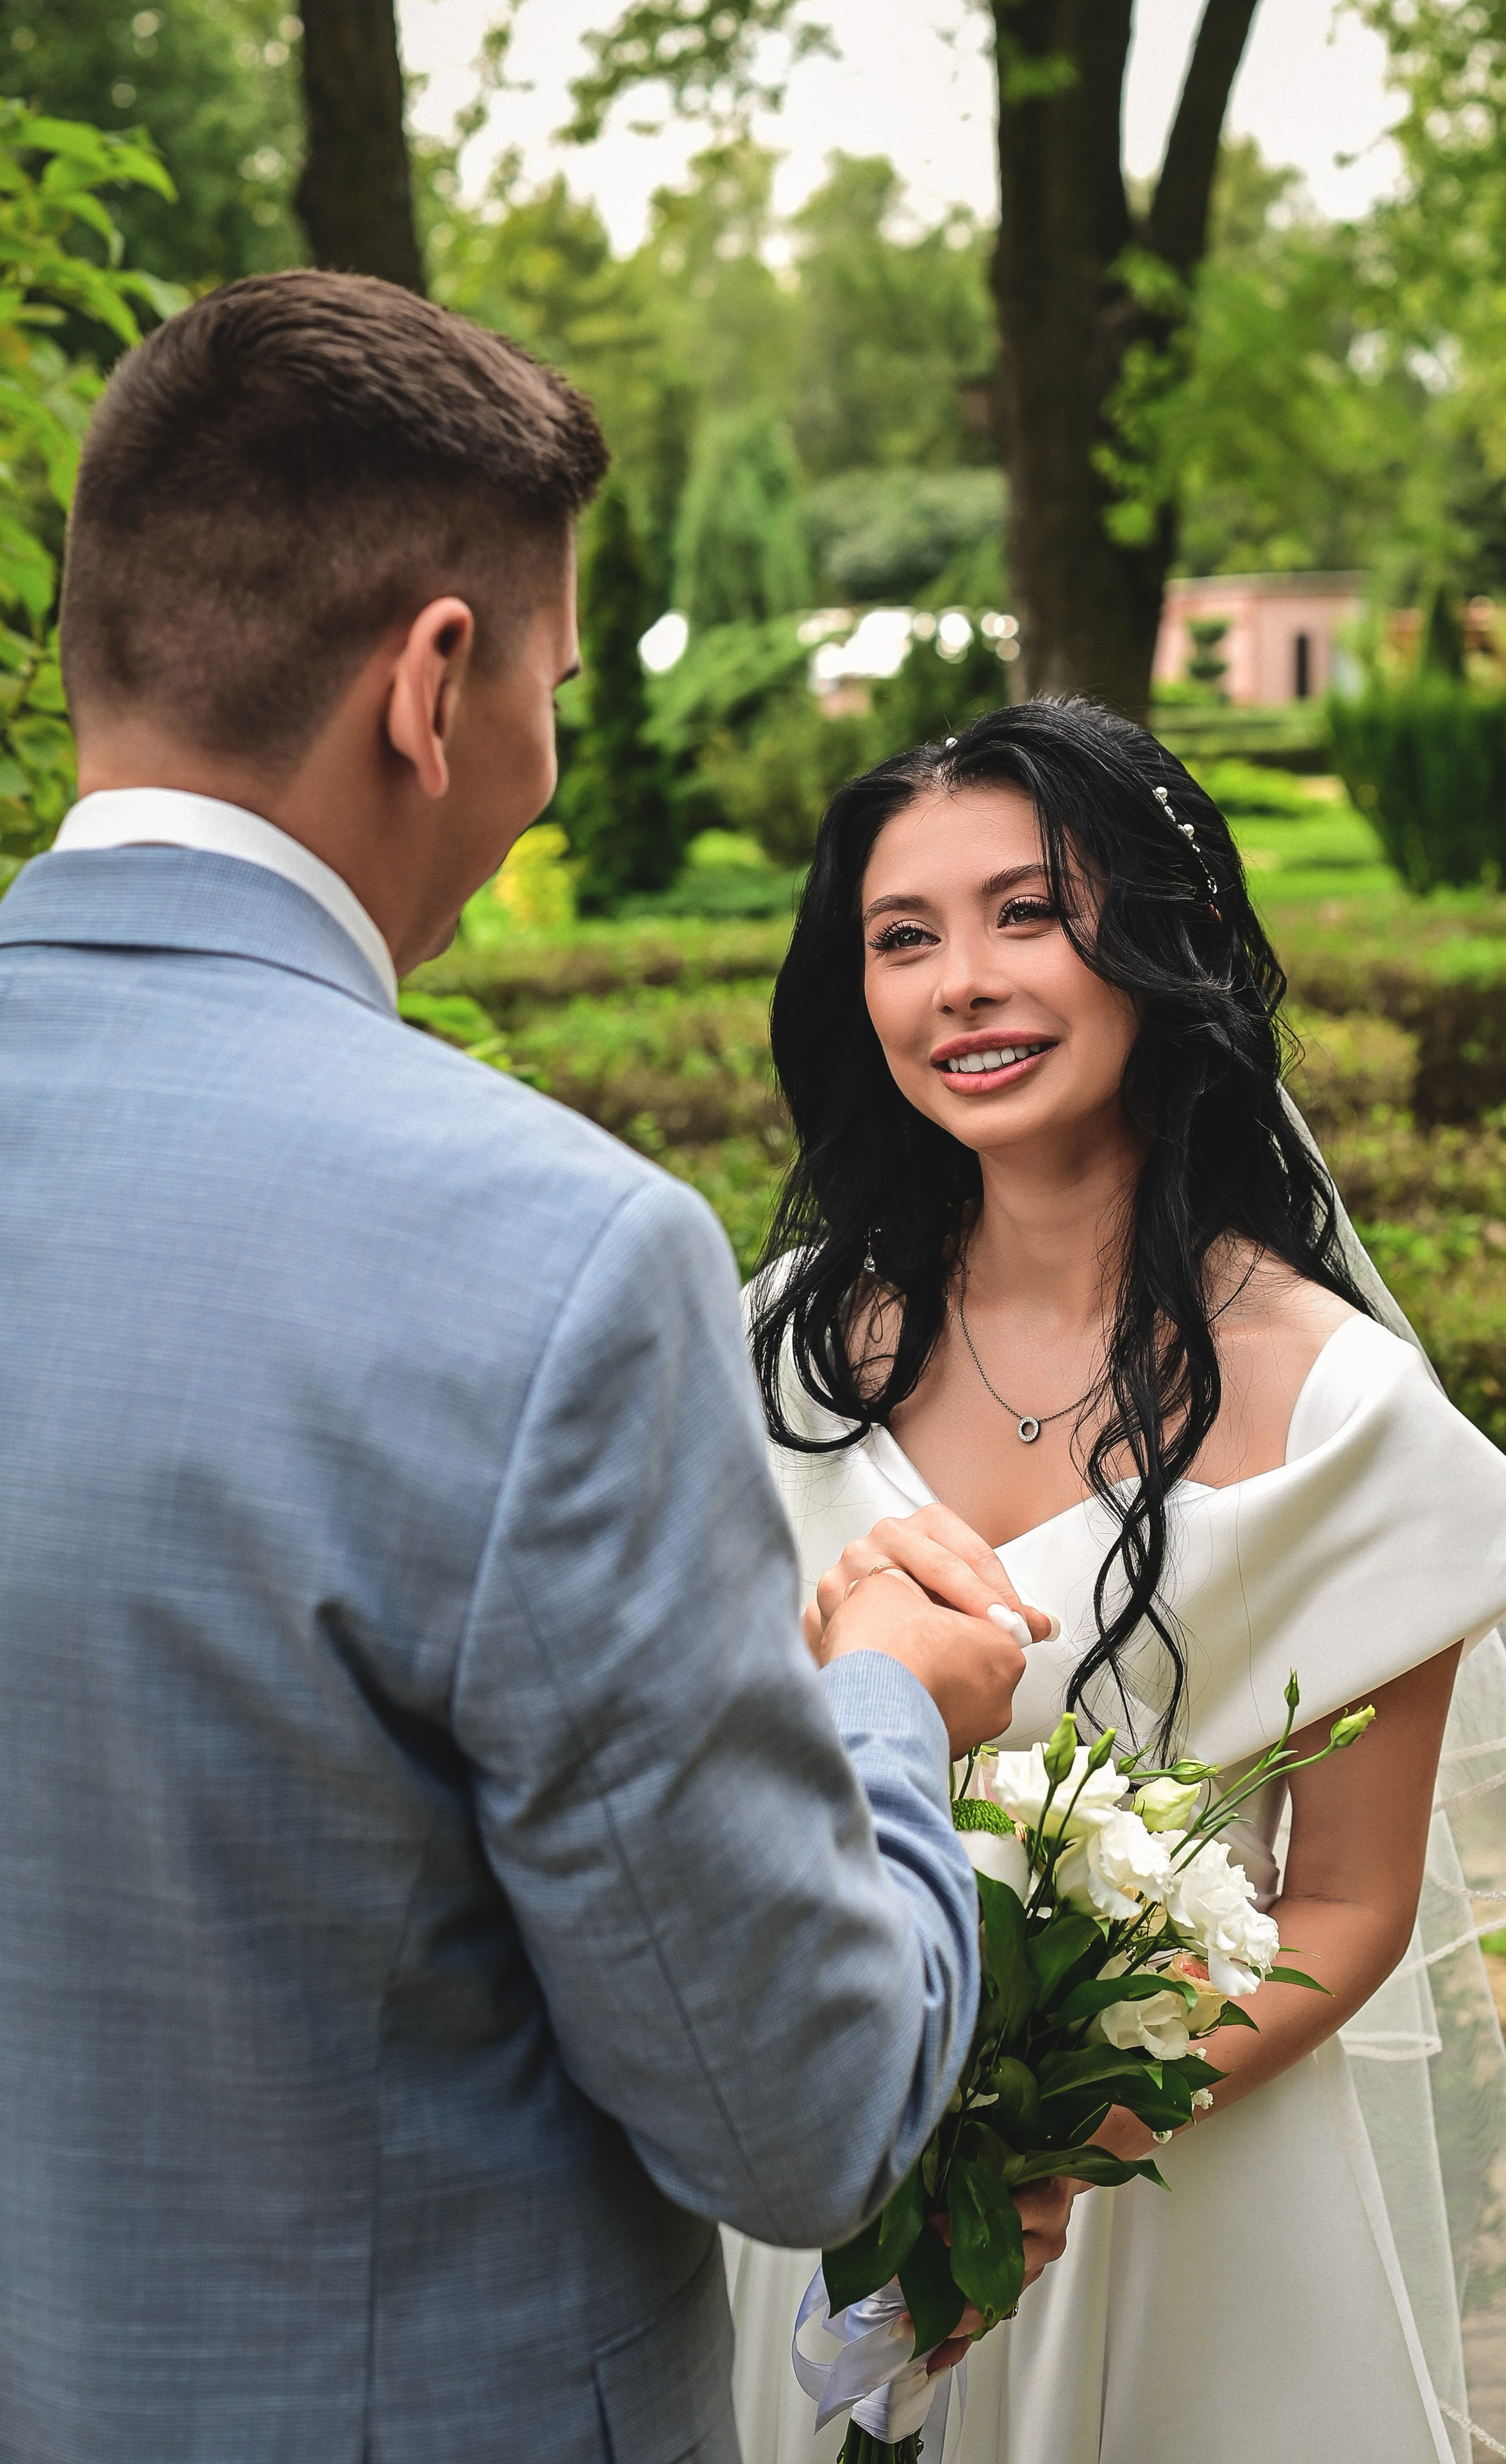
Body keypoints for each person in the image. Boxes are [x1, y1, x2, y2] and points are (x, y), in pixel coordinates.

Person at [0, 270, 1058, 2464]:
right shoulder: (549, 1260)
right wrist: (882, 1703)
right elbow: (802, 2118)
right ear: (436, 680)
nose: (545, 773)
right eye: (555, 690)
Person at [725, 699, 1506, 2464]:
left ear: (1160, 944)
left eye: (1026, 913)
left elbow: (1347, 1907)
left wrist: (1030, 2149)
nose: (958, 981)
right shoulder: (784, 1356)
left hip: (1171, 2204)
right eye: (903, 938)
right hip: (813, 2173)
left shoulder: (1336, 1412)